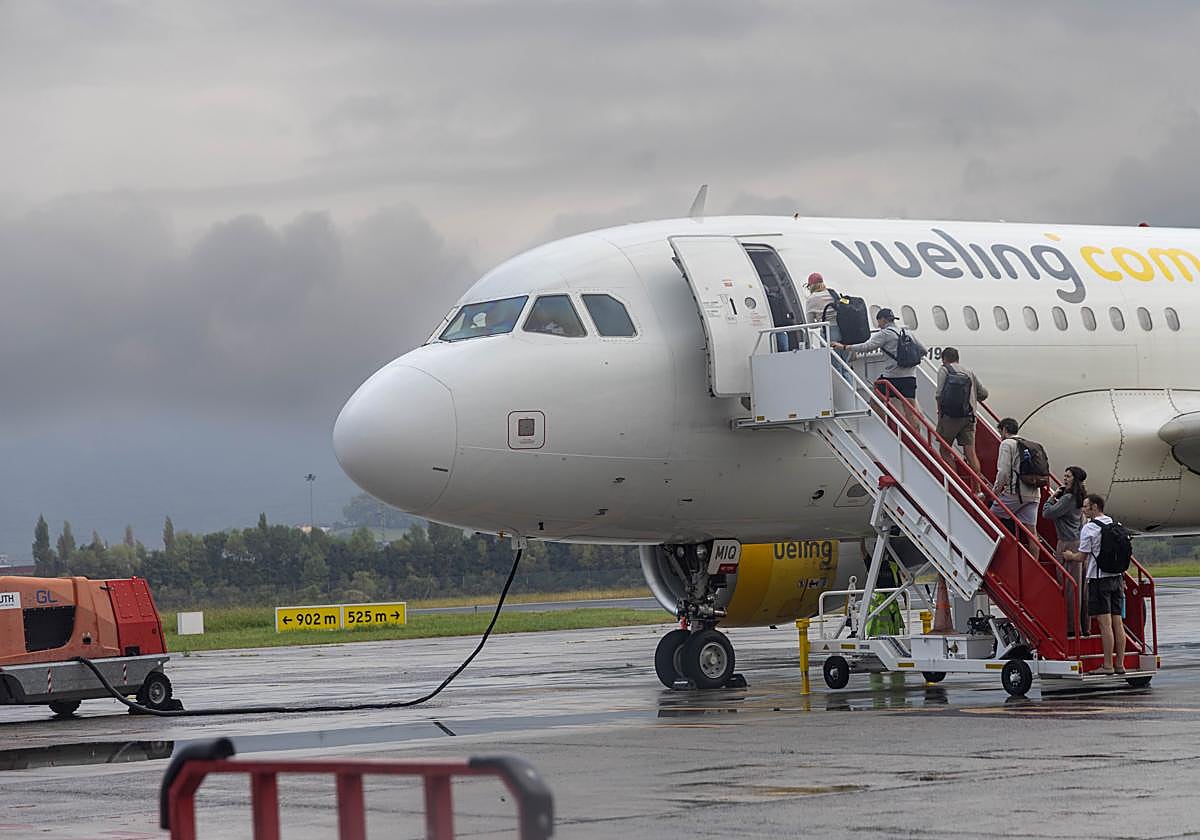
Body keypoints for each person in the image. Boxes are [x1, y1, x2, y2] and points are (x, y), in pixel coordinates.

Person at [1066, 494, 1125, 673]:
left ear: (1094, 507)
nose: (1083, 509)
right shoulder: (1116, 525)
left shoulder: (1089, 528)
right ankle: (1119, 664)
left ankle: (1107, 665)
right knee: (1118, 623)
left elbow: (1082, 556)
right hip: (1117, 579)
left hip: (1099, 581)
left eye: (1085, 506)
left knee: (1104, 625)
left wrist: (1069, 556)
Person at [833, 308, 919, 425]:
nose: (878, 325)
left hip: (892, 378)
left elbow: (866, 347)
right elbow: (923, 350)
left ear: (883, 320)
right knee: (910, 412)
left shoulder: (885, 334)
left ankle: (891, 428)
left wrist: (844, 347)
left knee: (874, 402)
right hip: (910, 377)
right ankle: (915, 439)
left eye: (878, 321)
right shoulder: (907, 333)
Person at [934, 347, 989, 490]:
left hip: (950, 418)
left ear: (944, 359)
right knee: (970, 452)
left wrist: (940, 413)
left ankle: (956, 486)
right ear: (958, 358)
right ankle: (977, 490)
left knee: (945, 450)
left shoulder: (944, 370)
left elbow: (939, 393)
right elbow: (984, 394)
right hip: (969, 417)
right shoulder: (969, 372)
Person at [1043, 465, 1088, 636]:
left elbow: (1047, 513)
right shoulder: (1079, 497)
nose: (1064, 478)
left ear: (1075, 479)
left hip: (1067, 544)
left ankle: (1072, 628)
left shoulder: (1068, 498)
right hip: (1077, 542)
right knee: (1079, 588)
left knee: (1069, 588)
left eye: (1068, 476)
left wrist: (1053, 496)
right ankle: (1083, 626)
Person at [990, 417, 1041, 554]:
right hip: (1035, 493)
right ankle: (1034, 567)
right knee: (1032, 534)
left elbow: (1003, 472)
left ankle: (1001, 552)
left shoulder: (1007, 444)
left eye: (1000, 432)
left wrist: (995, 491)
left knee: (988, 517)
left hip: (1016, 493)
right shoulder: (1029, 444)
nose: (1000, 435)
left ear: (1005, 429)